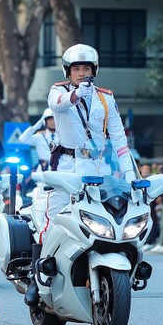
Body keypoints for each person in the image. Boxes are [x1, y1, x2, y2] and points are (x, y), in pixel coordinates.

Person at [24, 43, 135, 306]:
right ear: (68, 72)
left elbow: (119, 140)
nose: (83, 73)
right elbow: (59, 104)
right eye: (77, 69)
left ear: (94, 70)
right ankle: (37, 274)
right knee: (52, 221)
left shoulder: (106, 98)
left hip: (98, 170)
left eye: (87, 68)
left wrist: (130, 174)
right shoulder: (58, 91)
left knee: (109, 220)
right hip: (66, 168)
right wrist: (77, 95)